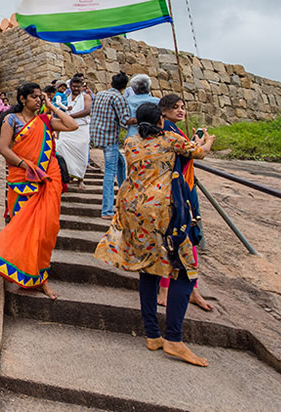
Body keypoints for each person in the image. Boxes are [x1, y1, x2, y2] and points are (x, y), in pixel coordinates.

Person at [94, 102, 215, 367]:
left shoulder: (131, 143)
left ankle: (152, 334)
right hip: (162, 212)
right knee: (185, 272)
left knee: (147, 269)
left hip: (133, 209)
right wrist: (207, 140)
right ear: (161, 120)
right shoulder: (170, 138)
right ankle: (173, 338)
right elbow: (200, 153)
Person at [0, 82, 78, 299]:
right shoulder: (11, 120)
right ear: (23, 99)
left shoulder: (45, 120)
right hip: (22, 180)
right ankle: (21, 272)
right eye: (34, 97)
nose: (38, 100)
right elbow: (4, 148)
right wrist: (27, 166)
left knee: (44, 232)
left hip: (47, 180)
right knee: (22, 230)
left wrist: (52, 106)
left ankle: (40, 278)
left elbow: (72, 126)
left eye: (40, 97)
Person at [156, 94, 214, 312]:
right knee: (180, 238)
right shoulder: (169, 130)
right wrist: (205, 143)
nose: (181, 111)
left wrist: (193, 143)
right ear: (164, 110)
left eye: (183, 107)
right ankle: (181, 288)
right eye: (175, 107)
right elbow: (197, 153)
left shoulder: (171, 129)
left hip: (180, 186)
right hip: (178, 190)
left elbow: (186, 150)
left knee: (176, 239)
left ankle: (185, 288)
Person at [89, 72, 132, 219]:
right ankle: (107, 210)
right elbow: (125, 120)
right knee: (109, 171)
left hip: (97, 135)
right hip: (109, 137)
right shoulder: (118, 98)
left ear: (111, 83)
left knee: (120, 164)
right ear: (124, 87)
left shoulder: (100, 94)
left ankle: (122, 195)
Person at [55, 76, 91, 189]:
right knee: (60, 146)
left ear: (81, 87)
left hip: (81, 128)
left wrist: (70, 116)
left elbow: (87, 110)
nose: (76, 88)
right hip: (67, 128)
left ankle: (80, 179)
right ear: (70, 86)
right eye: (74, 86)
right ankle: (67, 176)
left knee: (82, 152)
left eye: (78, 87)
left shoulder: (86, 97)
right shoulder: (66, 97)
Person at [125, 74, 160, 138]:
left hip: (132, 135)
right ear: (149, 87)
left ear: (134, 89)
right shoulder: (157, 102)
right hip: (153, 135)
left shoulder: (127, 101)